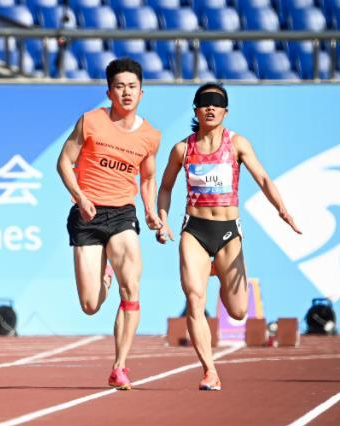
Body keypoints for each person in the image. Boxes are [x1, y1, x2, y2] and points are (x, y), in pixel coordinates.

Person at [156, 83, 302, 391]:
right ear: (196, 110)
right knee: (194, 299)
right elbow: (165, 187)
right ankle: (209, 370)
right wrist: (163, 220)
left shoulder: (237, 144)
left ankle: (218, 271)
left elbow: (263, 178)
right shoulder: (182, 149)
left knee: (238, 311)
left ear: (225, 111)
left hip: (227, 232)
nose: (210, 107)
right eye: (204, 102)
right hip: (195, 231)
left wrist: (282, 209)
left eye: (216, 103)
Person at [56, 58, 162, 390]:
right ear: (109, 92)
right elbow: (64, 162)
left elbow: (147, 179)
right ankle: (105, 275)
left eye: (132, 87)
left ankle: (120, 366)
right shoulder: (90, 121)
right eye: (119, 87)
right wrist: (80, 197)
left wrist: (150, 211)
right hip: (87, 215)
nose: (126, 92)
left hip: (122, 215)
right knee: (90, 305)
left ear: (141, 93)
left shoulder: (150, 136)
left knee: (131, 288)